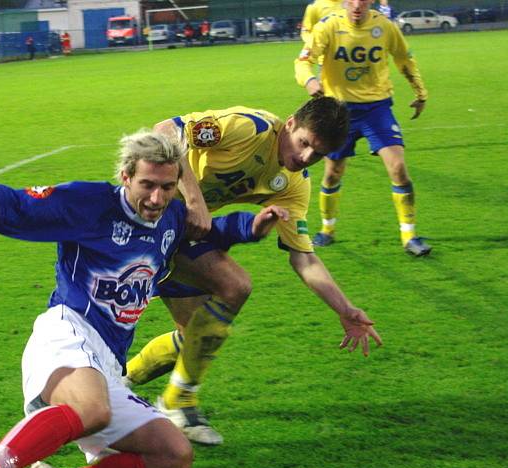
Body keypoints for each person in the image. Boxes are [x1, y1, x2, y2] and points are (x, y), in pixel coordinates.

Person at [0, 132, 289, 468]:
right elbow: (15, 209)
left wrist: (249, 227)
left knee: (173, 456)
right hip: (68, 331)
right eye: (147, 185)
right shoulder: (90, 204)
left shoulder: (168, 216)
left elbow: (200, 236)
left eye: (167, 187)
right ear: (125, 177)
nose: (156, 198)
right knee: (93, 409)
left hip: (106, 362)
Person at [125, 96, 382, 445]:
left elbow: (303, 257)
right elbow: (166, 130)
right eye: (304, 143)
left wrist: (345, 308)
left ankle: (124, 381)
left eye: (318, 154)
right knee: (235, 286)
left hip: (180, 232)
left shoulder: (294, 185)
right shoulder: (249, 127)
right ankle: (178, 401)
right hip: (147, 217)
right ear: (290, 123)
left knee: (195, 338)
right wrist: (197, 201)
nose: (306, 157)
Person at [295, 0, 431, 256]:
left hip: (376, 109)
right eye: (352, 0)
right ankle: (327, 230)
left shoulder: (385, 27)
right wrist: (310, 80)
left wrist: (420, 93)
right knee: (333, 173)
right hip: (339, 110)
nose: (357, 5)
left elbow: (404, 58)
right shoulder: (328, 25)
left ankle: (410, 236)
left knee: (398, 168)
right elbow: (303, 60)